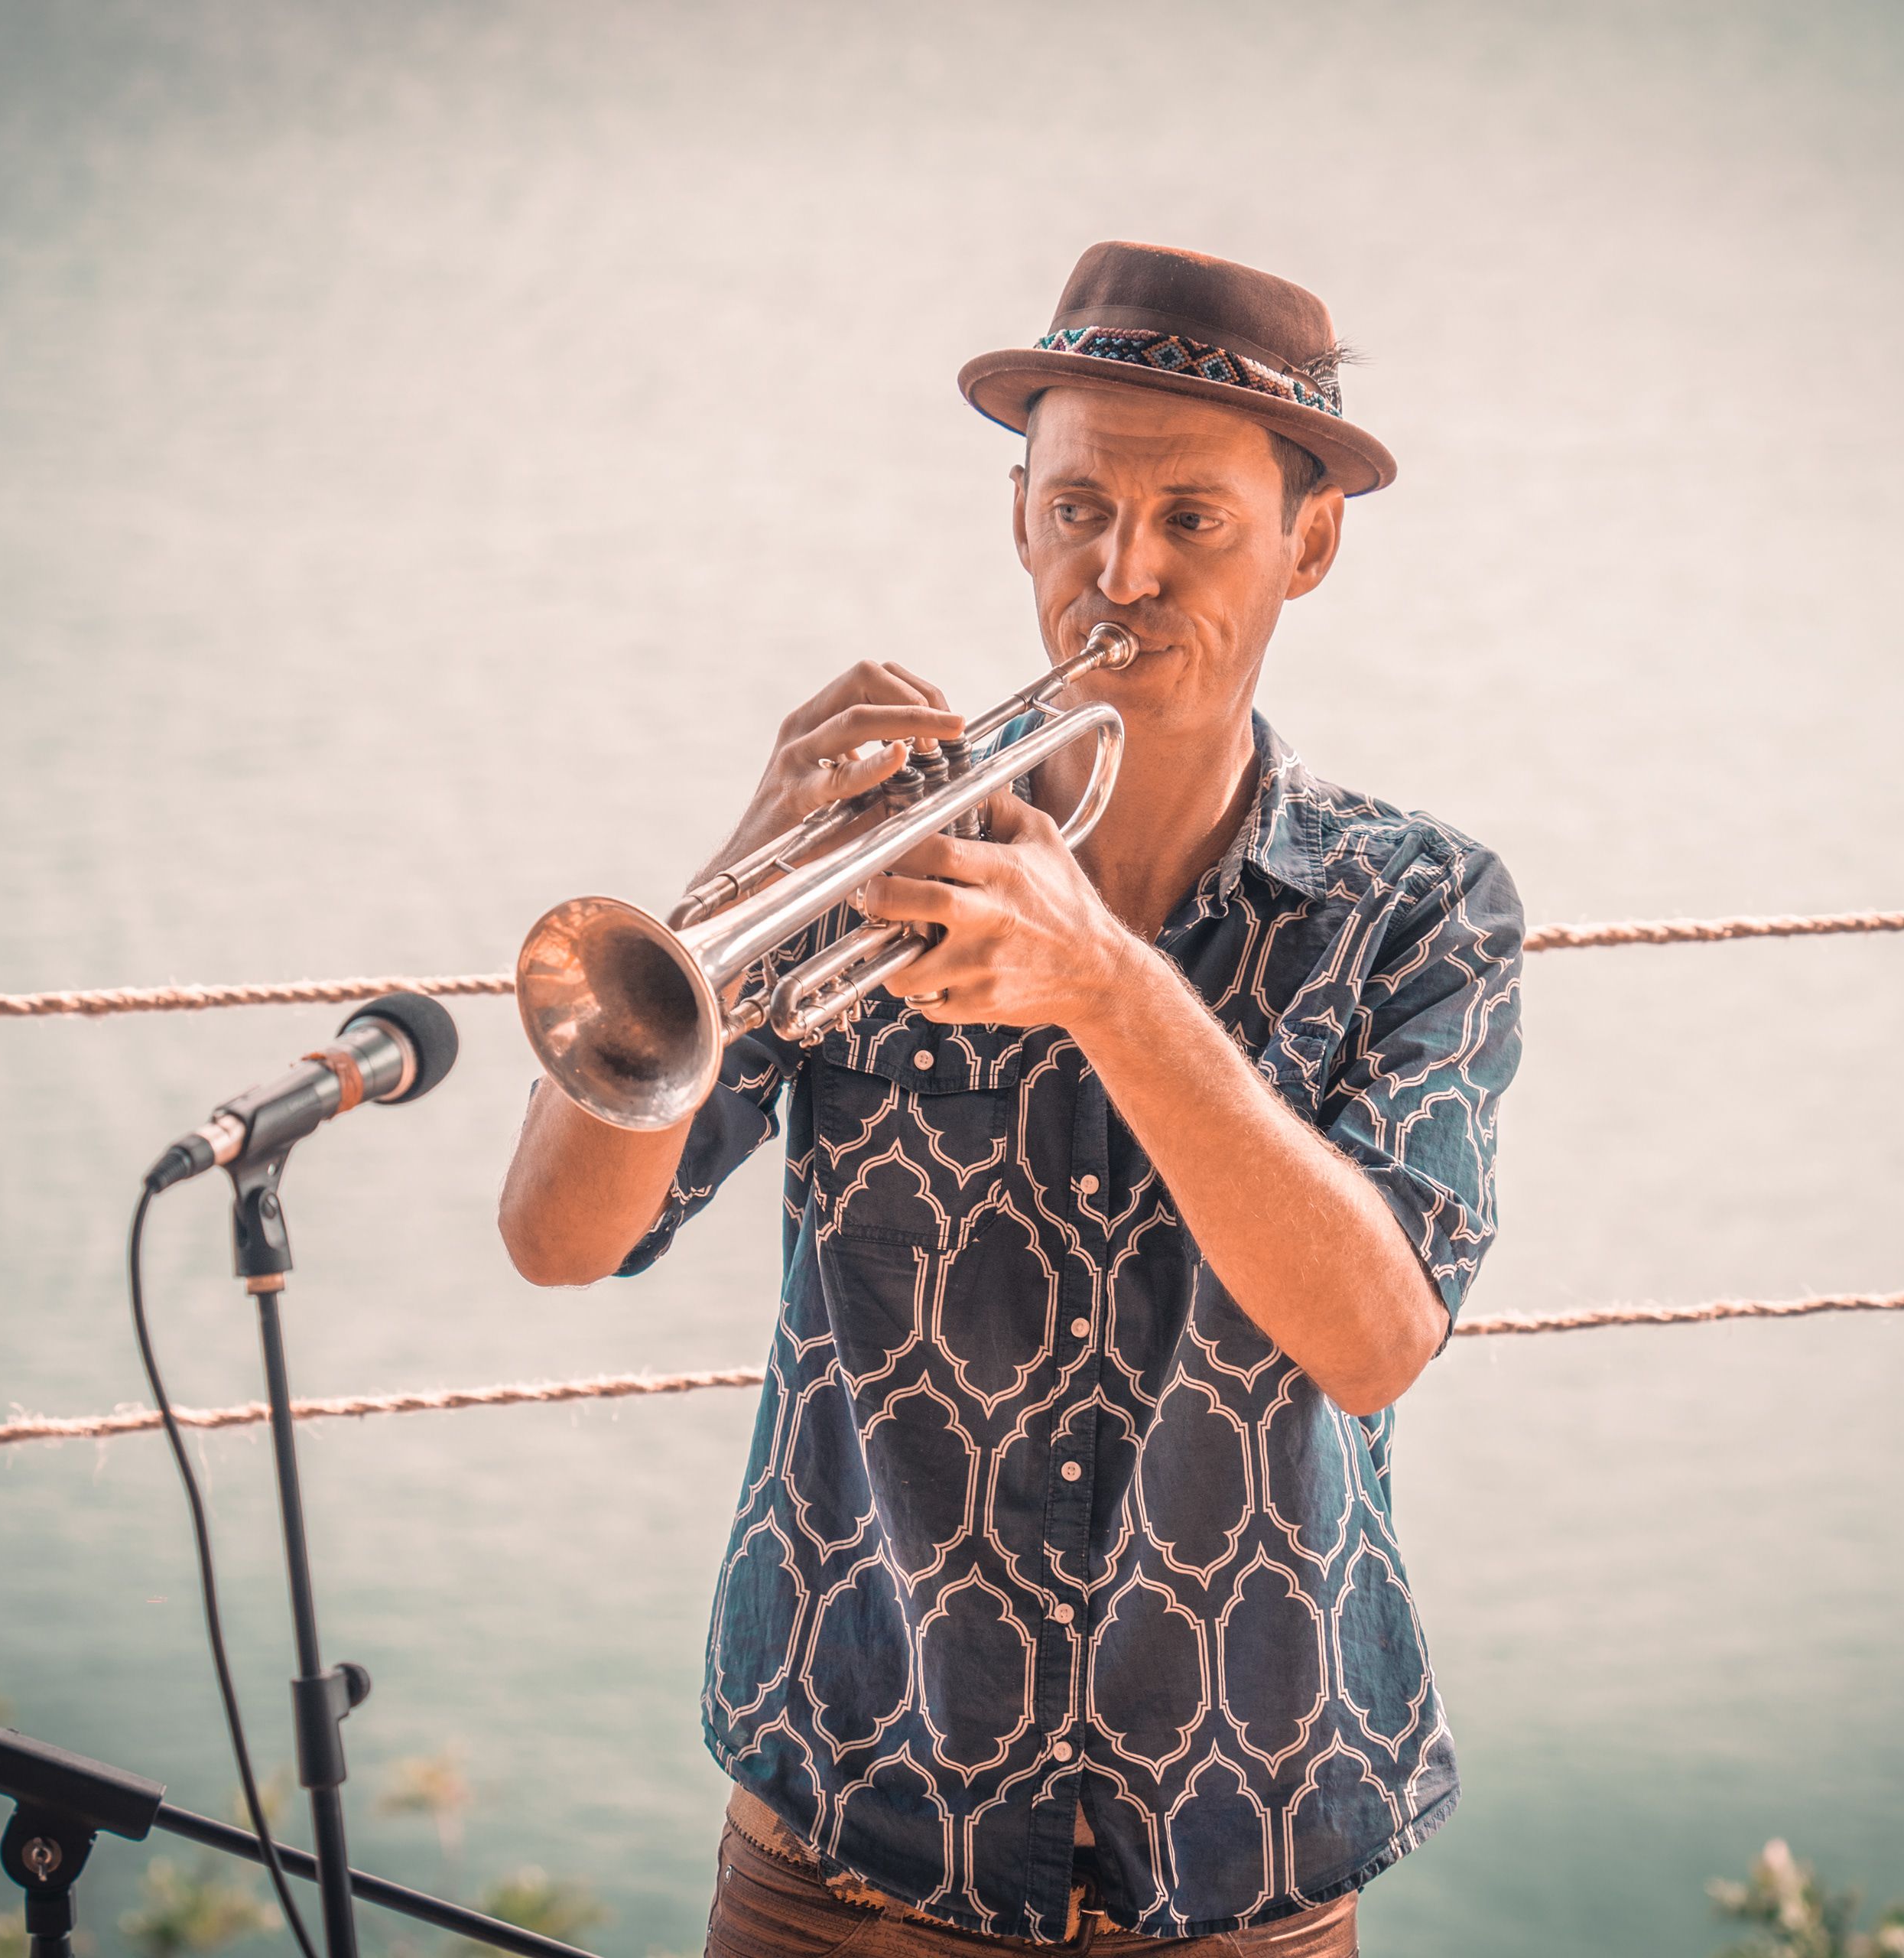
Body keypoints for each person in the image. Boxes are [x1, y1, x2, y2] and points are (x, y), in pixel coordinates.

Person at [498, 240, 1524, 1953]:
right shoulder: (873, 859)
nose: (1118, 570)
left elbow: (1376, 1335)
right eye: (1074, 510)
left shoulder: (1418, 905)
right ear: (1019, 513)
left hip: (1237, 1871)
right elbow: (555, 1238)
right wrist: (737, 877)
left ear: (1311, 542)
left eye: (1193, 518)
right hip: (842, 1858)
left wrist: (1116, 991)